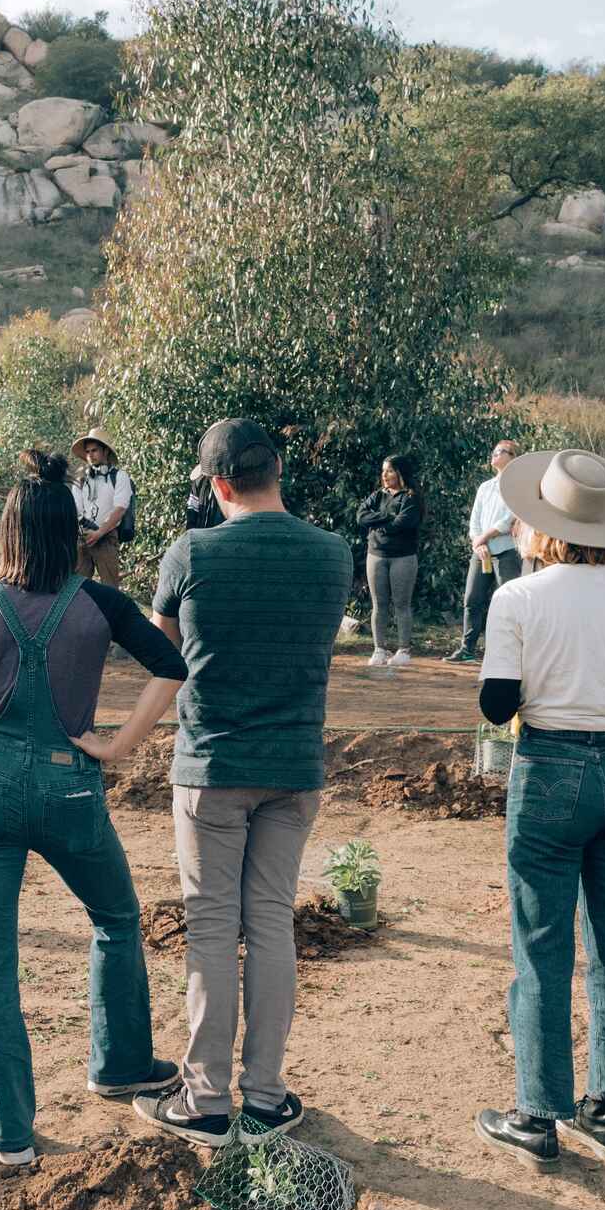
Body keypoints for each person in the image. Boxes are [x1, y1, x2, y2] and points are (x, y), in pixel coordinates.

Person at [0, 451, 190, 1164]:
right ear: (72, 535)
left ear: (10, 534)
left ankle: (8, 1134)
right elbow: (172, 666)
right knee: (115, 918)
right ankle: (117, 1066)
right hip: (69, 787)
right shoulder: (100, 604)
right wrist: (116, 747)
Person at [133, 420, 352, 1149]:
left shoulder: (191, 552)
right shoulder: (333, 554)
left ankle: (205, 1099)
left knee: (211, 929)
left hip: (213, 767)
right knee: (270, 925)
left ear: (218, 485)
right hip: (293, 769)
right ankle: (265, 1096)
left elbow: (160, 658)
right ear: (278, 469)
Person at [466, 451, 605, 1167]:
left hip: (551, 764)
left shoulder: (519, 598)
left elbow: (496, 704)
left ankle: (535, 1112)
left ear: (541, 525)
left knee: (541, 944)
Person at [447, 440, 520, 663]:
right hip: (481, 552)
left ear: (513, 457)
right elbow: (474, 520)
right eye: (494, 451)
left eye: (501, 451)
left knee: (507, 602)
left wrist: (484, 537)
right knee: (472, 599)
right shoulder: (485, 487)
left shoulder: (516, 487)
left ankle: (505, 652)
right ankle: (467, 649)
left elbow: (508, 520)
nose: (495, 455)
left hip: (506, 551)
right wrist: (477, 543)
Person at [355, 454, 423, 668]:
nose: (384, 475)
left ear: (401, 473)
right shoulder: (378, 495)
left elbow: (402, 523)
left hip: (403, 557)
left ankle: (403, 650)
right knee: (379, 604)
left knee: (402, 604)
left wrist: (377, 522)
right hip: (376, 555)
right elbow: (361, 516)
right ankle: (379, 649)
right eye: (383, 470)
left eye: (390, 471)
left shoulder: (411, 497)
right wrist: (387, 519)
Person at [70, 431, 131, 585]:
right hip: (83, 538)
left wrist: (99, 532)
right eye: (88, 451)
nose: (90, 455)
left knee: (110, 589)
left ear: (105, 451)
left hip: (107, 538)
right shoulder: (80, 480)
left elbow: (120, 509)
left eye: (95, 450)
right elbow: (76, 509)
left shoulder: (119, 477)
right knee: (77, 587)